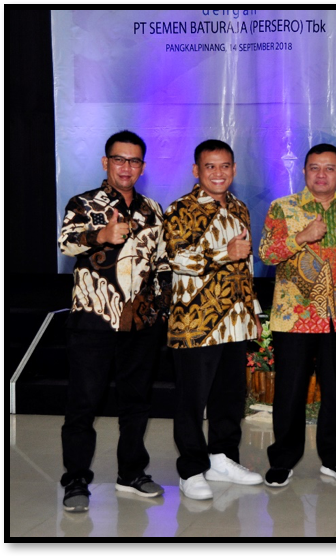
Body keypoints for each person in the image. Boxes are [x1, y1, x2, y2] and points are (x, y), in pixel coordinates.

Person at [58, 130, 170, 512]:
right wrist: (102, 234)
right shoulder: (84, 203)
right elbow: (65, 244)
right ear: (106, 162)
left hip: (141, 323)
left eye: (134, 160)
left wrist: (160, 310)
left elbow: (162, 264)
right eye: (119, 159)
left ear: (143, 166)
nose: (126, 167)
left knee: (136, 401)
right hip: (93, 320)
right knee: (83, 402)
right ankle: (76, 479)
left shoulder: (153, 209)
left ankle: (132, 473)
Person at [259, 143, 336, 487]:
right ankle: (282, 460)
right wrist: (302, 237)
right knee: (290, 391)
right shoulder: (283, 208)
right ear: (304, 172)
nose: (321, 174)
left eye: (329, 168)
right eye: (314, 167)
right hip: (295, 316)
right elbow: (266, 253)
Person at [160, 139, 263, 500]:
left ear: (234, 169)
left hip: (235, 321)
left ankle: (222, 458)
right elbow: (175, 258)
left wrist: (253, 312)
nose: (218, 173)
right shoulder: (180, 209)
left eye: (225, 166)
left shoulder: (239, 207)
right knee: (192, 400)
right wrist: (223, 253)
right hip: (196, 323)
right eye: (210, 166)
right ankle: (190, 470)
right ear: (196, 170)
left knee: (230, 398)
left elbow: (246, 266)